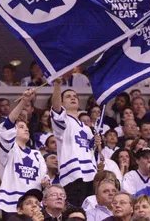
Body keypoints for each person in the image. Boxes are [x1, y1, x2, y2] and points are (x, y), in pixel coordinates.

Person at [0, 89, 47, 215]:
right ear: (13, 132)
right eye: (21, 127)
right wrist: (24, 101)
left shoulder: (37, 154)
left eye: (27, 127)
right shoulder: (8, 149)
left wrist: (46, 183)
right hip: (11, 205)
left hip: (34, 206)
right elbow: (8, 124)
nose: (26, 129)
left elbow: (44, 177)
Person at [50, 78, 100, 207]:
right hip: (72, 174)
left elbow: (91, 153)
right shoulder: (64, 121)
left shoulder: (86, 128)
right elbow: (56, 109)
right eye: (68, 96)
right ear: (61, 101)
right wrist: (57, 86)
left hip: (90, 175)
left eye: (75, 96)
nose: (73, 98)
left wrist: (96, 144)